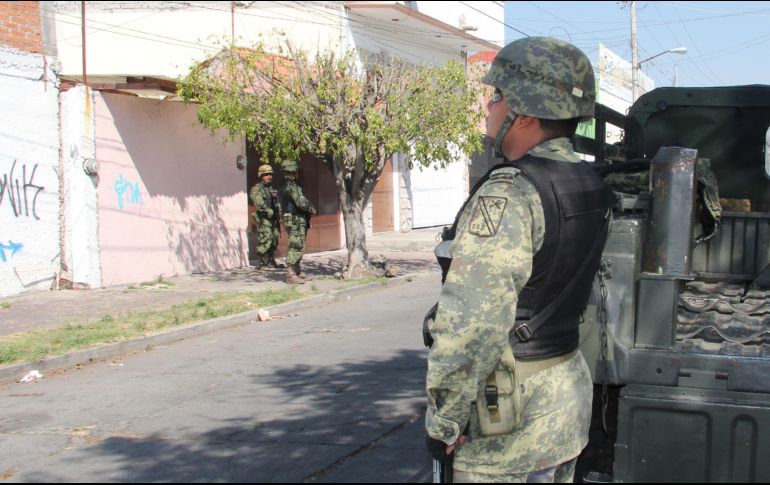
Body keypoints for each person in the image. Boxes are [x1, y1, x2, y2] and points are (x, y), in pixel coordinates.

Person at [424, 37, 615, 483]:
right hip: (563, 407)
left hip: (507, 426)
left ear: (524, 113)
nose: (488, 107)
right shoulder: (588, 182)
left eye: (496, 97)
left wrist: (445, 421)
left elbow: (473, 322)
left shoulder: (511, 192)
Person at [279, 160, 316, 284]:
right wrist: (311, 209)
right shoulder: (291, 186)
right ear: (293, 171)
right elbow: (301, 202)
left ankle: (297, 271)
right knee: (296, 245)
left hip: (294, 219)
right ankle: (291, 274)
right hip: (296, 219)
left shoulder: (285, 186)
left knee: (299, 244)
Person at [250, 164, 281, 270]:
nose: (269, 176)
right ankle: (263, 263)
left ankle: (271, 261)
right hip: (264, 218)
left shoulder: (271, 188)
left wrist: (278, 212)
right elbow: (258, 201)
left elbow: (276, 202)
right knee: (265, 238)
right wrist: (267, 210)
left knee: (274, 239)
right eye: (266, 174)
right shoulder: (257, 188)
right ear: (261, 175)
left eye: (270, 174)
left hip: (273, 218)